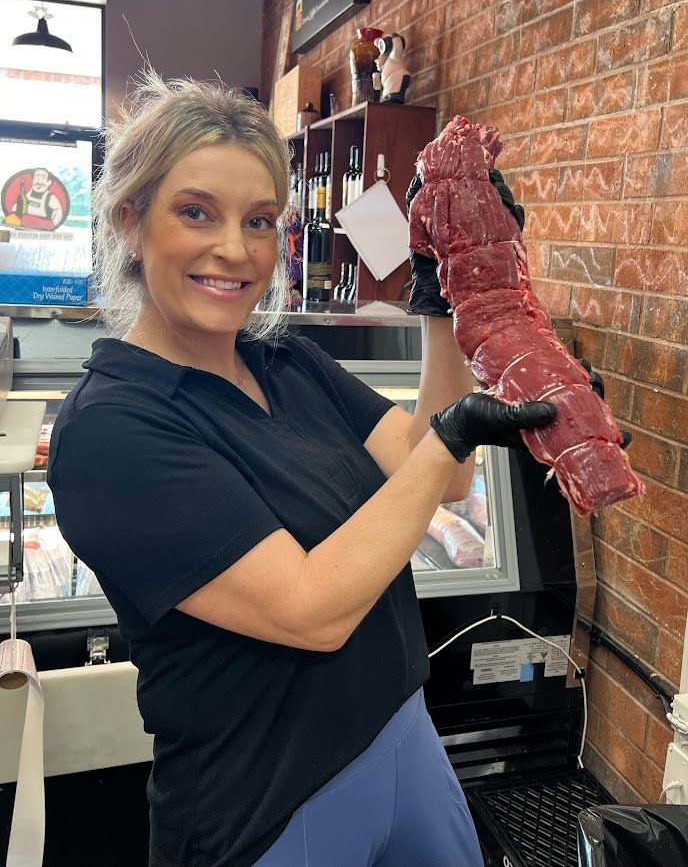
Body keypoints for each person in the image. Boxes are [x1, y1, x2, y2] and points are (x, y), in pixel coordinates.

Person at [48, 74, 556, 867]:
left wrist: (443, 294)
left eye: (258, 220)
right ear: (128, 219)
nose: (233, 248)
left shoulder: (291, 362)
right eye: (195, 211)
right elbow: (310, 610)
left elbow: (441, 476)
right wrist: (454, 437)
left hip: (404, 741)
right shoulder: (111, 430)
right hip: (267, 806)